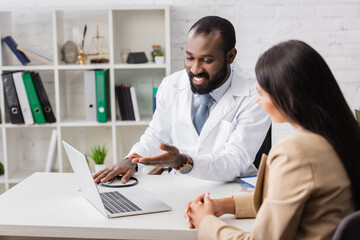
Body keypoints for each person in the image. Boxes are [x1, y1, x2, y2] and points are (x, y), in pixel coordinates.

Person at [185, 39, 360, 239]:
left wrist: (206, 221)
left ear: (288, 97)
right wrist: (225, 205)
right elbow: (287, 198)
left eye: (261, 93)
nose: (257, 100)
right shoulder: (341, 137)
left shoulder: (297, 150)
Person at [94, 16, 271, 184]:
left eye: (207, 60)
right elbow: (157, 135)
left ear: (230, 57)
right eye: (189, 57)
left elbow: (235, 160)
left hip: (230, 191)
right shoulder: (171, 85)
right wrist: (132, 161)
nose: (195, 69)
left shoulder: (255, 95)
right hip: (178, 187)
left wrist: (184, 162)